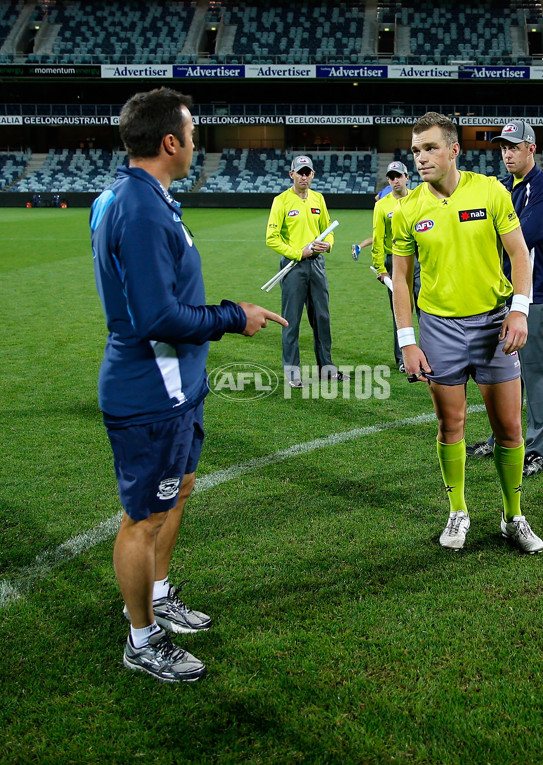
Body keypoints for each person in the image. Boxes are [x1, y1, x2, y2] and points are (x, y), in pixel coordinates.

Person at [90, 88, 287, 683]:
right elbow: (154, 317)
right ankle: (142, 637)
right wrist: (234, 315)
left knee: (179, 492)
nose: (198, 141)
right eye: (193, 131)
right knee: (144, 517)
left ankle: (160, 594)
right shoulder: (142, 207)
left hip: (178, 385)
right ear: (170, 141)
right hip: (151, 389)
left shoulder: (139, 197)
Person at [391, 111, 543, 554]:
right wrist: (407, 340)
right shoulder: (408, 208)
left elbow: (519, 254)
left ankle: (513, 515)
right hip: (438, 328)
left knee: (510, 428)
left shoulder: (490, 191)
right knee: (450, 423)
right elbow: (401, 279)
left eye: (431, 147)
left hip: (495, 324)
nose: (421, 158)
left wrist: (519, 312)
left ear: (454, 149)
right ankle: (458, 510)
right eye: (417, 150)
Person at [466, 121, 543, 477]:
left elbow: (527, 235)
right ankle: (502, 438)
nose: (507, 153)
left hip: (534, 296)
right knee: (504, 374)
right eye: (503, 147)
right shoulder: (505, 187)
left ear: (531, 149)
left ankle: (538, 450)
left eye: (514, 147)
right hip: (503, 295)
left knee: (537, 373)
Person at [266, 154, 348, 388]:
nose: (303, 176)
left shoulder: (318, 199)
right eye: (299, 172)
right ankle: (293, 374)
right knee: (290, 321)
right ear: (291, 174)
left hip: (317, 265)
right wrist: (295, 252)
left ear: (312, 175)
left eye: (307, 172)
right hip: (294, 267)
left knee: (322, 318)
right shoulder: (281, 201)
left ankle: (327, 369)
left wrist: (329, 244)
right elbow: (271, 238)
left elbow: (328, 230)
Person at [352, 161, 419, 369]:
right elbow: (378, 238)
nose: (395, 180)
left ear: (407, 177)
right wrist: (380, 268)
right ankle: (402, 359)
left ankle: (430, 353)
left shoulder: (420, 198)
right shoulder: (381, 205)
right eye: (391, 177)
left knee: (426, 309)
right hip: (394, 262)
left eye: (399, 176)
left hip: (420, 260)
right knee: (400, 311)